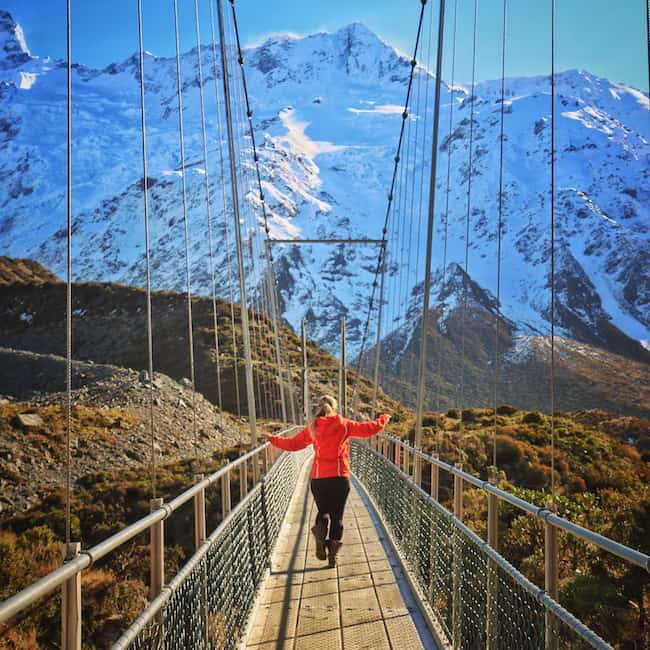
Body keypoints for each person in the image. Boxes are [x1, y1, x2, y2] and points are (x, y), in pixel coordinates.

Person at [262, 395, 390, 568]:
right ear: (334, 408)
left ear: (319, 409)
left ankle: (320, 535)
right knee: (337, 517)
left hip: (318, 478)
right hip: (339, 476)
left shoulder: (313, 428)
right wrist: (384, 418)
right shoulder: (344, 424)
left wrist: (272, 438)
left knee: (323, 510)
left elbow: (292, 445)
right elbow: (369, 430)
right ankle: (332, 556)